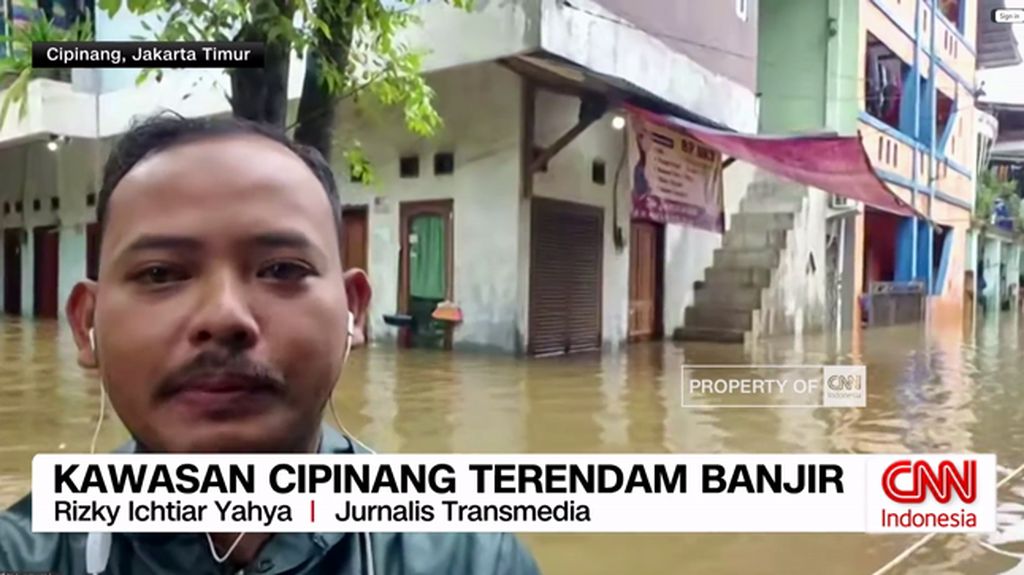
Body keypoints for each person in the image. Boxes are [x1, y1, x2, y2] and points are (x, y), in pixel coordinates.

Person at [0, 113, 541, 574]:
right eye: (161, 273)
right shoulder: (26, 555)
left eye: (283, 268)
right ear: (87, 323)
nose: (224, 316)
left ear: (353, 310)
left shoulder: (468, 557)